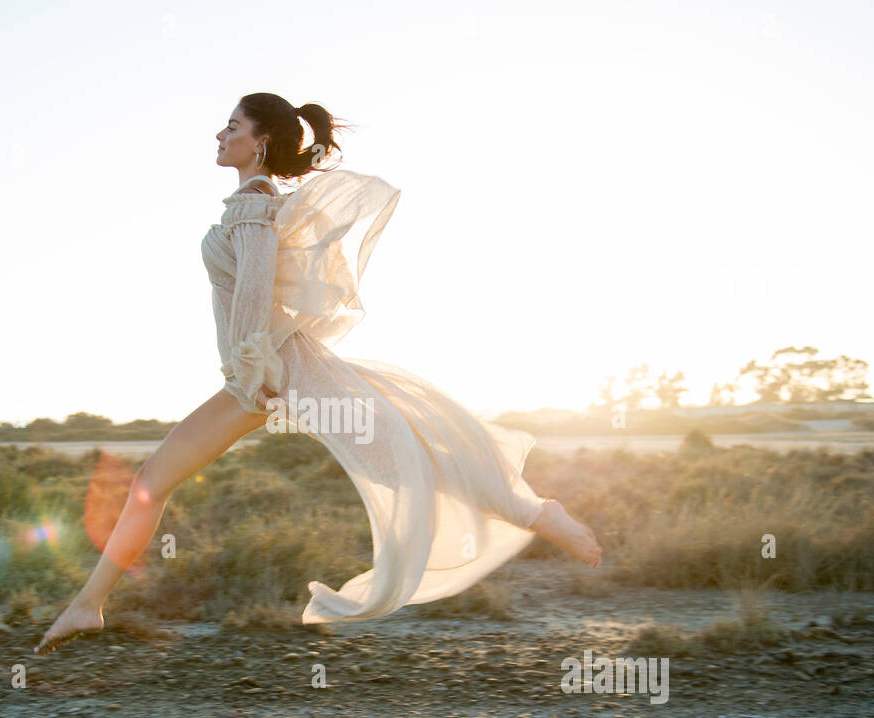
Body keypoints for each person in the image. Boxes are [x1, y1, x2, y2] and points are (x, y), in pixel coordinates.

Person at [34, 92, 601, 654]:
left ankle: (537, 512)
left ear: (260, 142)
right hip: (262, 376)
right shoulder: (249, 205)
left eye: (231, 127)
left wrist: (255, 373)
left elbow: (254, 297)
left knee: (397, 463)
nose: (219, 135)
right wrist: (250, 372)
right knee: (388, 461)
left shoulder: (256, 209)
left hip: (273, 375)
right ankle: (89, 606)